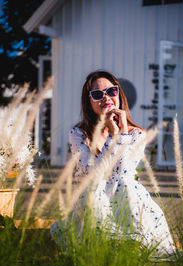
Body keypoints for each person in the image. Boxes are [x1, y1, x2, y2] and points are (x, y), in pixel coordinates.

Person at [51, 70, 175, 255]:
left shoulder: (136, 134)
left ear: (119, 94)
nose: (106, 98)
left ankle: (130, 245)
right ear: (89, 102)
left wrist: (122, 132)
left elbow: (123, 173)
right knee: (97, 190)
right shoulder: (79, 134)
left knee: (126, 185)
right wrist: (114, 137)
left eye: (111, 91)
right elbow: (92, 175)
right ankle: (106, 244)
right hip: (93, 204)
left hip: (127, 203)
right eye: (97, 94)